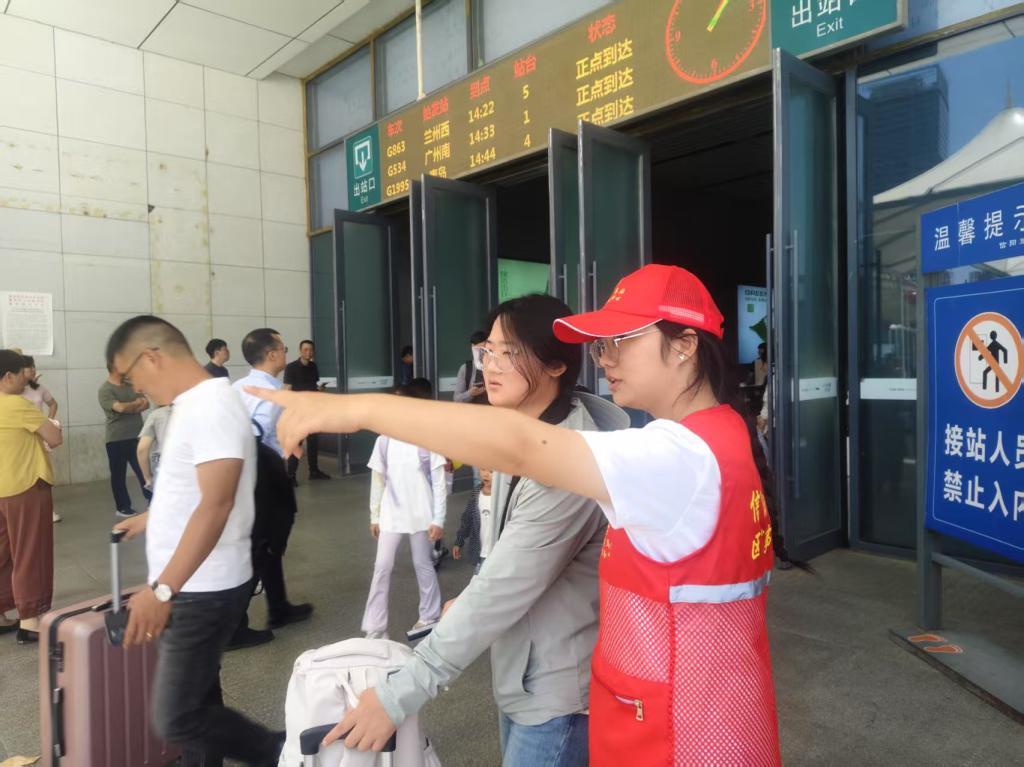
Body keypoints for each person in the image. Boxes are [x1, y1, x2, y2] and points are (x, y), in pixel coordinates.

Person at [250, 267, 800, 765]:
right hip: (708, 720)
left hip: (673, 735)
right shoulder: (720, 435)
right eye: (600, 345)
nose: (605, 358)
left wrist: (354, 408)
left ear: (683, 345)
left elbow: (519, 446)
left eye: (621, 341)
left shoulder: (674, 457)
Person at [249, 294, 629, 766]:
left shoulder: (568, 458)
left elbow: (503, 589)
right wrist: (468, 592)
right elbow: (507, 557)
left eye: (509, 352)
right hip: (525, 670)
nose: (490, 365)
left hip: (556, 693)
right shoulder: (522, 429)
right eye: (487, 351)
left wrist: (397, 696)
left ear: (556, 364)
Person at [106, 317, 284, 767]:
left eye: (130, 375)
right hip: (193, 582)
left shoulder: (210, 405)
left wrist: (162, 590)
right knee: (199, 699)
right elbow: (194, 489)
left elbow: (217, 503)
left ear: (151, 357)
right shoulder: (194, 403)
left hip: (201, 589)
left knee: (177, 717)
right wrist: (152, 518)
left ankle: (281, 754)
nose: (135, 388)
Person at [232, 329, 312, 645]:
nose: (285, 353)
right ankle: (234, 626)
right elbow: (265, 434)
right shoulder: (274, 393)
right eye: (284, 348)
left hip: (243, 473)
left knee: (266, 544)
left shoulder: (237, 388)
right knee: (263, 544)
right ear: (272, 353)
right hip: (263, 475)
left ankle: (278, 607)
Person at [363, 378, 446, 642]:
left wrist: (439, 518)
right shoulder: (383, 441)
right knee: (382, 566)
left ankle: (430, 615)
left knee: (423, 564)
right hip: (390, 514)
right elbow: (377, 480)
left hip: (422, 513)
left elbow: (439, 482)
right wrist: (374, 515)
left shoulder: (428, 439)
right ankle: (375, 625)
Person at [0, 349, 62, 644]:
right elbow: (54, 438)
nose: (27, 379)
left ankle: (1, 613)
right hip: (25, 486)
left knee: (3, 552)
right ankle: (30, 619)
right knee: (29, 551)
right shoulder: (16, 404)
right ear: (8, 377)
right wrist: (51, 428)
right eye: (22, 374)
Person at [98, 364, 152, 517]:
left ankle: (152, 500)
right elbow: (120, 408)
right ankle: (122, 507)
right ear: (114, 368)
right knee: (118, 475)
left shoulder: (132, 385)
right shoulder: (105, 390)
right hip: (116, 439)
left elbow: (146, 403)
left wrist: (131, 406)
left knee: (144, 471)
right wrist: (135, 404)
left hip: (136, 436)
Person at [283, 340, 330, 483]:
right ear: (300, 351)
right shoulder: (291, 367)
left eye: (311, 350)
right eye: (305, 349)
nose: (308, 352)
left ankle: (314, 471)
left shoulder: (313, 367)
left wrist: (320, 390)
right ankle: (291, 476)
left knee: (313, 442)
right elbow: (287, 390)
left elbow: (312, 387)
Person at [21, 356, 61, 522]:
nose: (32, 370)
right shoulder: (13, 392)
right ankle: (27, 511)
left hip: (39, 435)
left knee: (43, 473)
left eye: (33, 366)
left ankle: (48, 510)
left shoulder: (39, 388)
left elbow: (53, 404)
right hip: (22, 438)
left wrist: (49, 421)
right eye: (28, 367)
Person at [453, 467, 493, 574]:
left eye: (491, 471)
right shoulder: (476, 493)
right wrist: (459, 542)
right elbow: (467, 519)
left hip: (497, 552)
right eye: (483, 469)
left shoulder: (503, 496)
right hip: (480, 551)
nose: (486, 474)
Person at [138, 404, 172, 491]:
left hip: (164, 466)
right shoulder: (196, 410)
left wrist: (148, 477)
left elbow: (142, 449)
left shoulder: (156, 415)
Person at [453, 331, 488, 403]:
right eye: (477, 349)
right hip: (473, 409)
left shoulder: (496, 367)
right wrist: (470, 393)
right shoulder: (466, 369)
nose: (481, 352)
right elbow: (457, 399)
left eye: (484, 349)